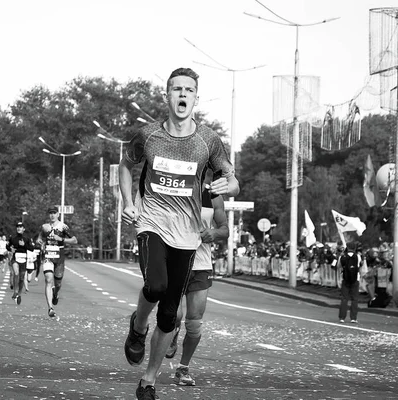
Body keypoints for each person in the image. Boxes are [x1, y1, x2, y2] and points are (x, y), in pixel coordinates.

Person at [119, 67, 239, 400]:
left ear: (195, 98)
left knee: (171, 316)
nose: (182, 95)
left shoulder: (208, 140)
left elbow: (232, 179)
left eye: (188, 90)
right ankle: (138, 326)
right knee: (155, 286)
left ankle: (149, 381)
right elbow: (126, 166)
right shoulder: (148, 136)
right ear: (167, 96)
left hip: (188, 236)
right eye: (176, 89)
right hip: (153, 223)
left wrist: (227, 183)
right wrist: (129, 202)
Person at [165, 171, 229, 386]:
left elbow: (225, 230)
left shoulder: (213, 196)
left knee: (194, 324)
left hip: (201, 265)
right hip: (176, 261)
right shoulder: (175, 190)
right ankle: (172, 332)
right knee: (175, 315)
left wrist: (214, 233)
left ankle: (183, 368)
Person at [39, 206, 78, 318]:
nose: (52, 215)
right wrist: (40, 242)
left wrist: (61, 239)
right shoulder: (44, 227)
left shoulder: (63, 227)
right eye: (50, 213)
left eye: (54, 213)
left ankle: (55, 294)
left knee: (58, 283)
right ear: (48, 215)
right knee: (48, 279)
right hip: (48, 257)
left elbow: (75, 240)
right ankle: (50, 308)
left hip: (59, 258)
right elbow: (39, 238)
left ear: (58, 214)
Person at [7, 222, 34, 305]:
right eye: (18, 227)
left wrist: (24, 245)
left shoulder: (27, 238)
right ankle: (15, 291)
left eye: (20, 227)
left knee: (22, 278)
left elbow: (32, 248)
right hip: (15, 258)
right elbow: (7, 246)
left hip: (23, 260)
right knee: (16, 273)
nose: (19, 228)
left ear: (24, 229)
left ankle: (19, 294)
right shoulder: (12, 238)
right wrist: (10, 249)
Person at [337, 241, 361, 323]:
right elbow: (360, 266)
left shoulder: (342, 256)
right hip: (355, 279)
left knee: (344, 298)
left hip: (345, 279)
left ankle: (342, 317)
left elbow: (338, 266)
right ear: (355, 248)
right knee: (355, 299)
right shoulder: (358, 256)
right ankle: (353, 318)